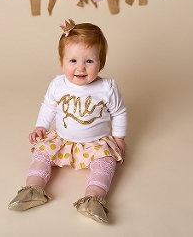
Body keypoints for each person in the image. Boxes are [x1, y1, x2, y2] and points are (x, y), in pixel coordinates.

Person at [8, 19, 127, 224]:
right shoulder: (58, 84)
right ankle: (33, 188)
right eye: (73, 61)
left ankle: (93, 198)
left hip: (95, 142)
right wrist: (41, 126)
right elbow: (49, 107)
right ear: (62, 61)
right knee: (41, 152)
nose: (80, 68)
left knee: (106, 163)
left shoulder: (107, 88)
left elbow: (119, 111)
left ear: (101, 63)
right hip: (62, 140)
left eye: (89, 61)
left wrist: (119, 137)